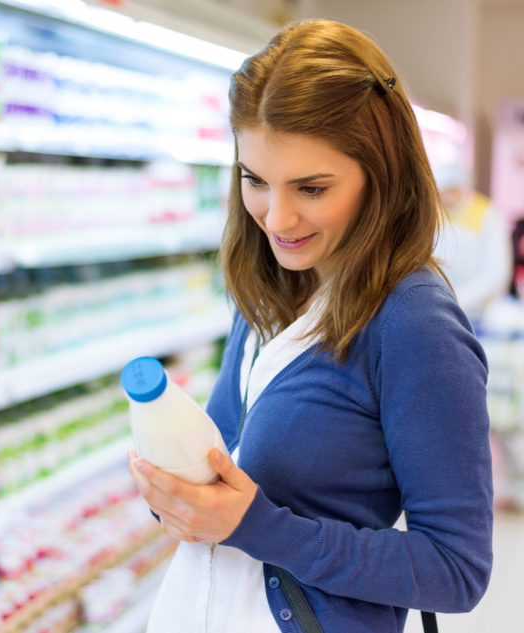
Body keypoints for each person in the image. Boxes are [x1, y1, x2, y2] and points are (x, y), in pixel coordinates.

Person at [128, 18, 493, 633]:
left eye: (312, 187)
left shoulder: (412, 321)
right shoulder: (267, 288)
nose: (278, 217)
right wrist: (176, 496)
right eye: (255, 180)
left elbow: (456, 570)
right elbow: (227, 467)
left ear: (381, 174)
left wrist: (258, 526)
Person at [432, 159, 512, 324]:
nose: (443, 199)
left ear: (458, 188)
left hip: (479, 312)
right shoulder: (437, 214)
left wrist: (460, 299)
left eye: (446, 192)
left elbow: (495, 271)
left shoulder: (486, 213)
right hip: (443, 306)